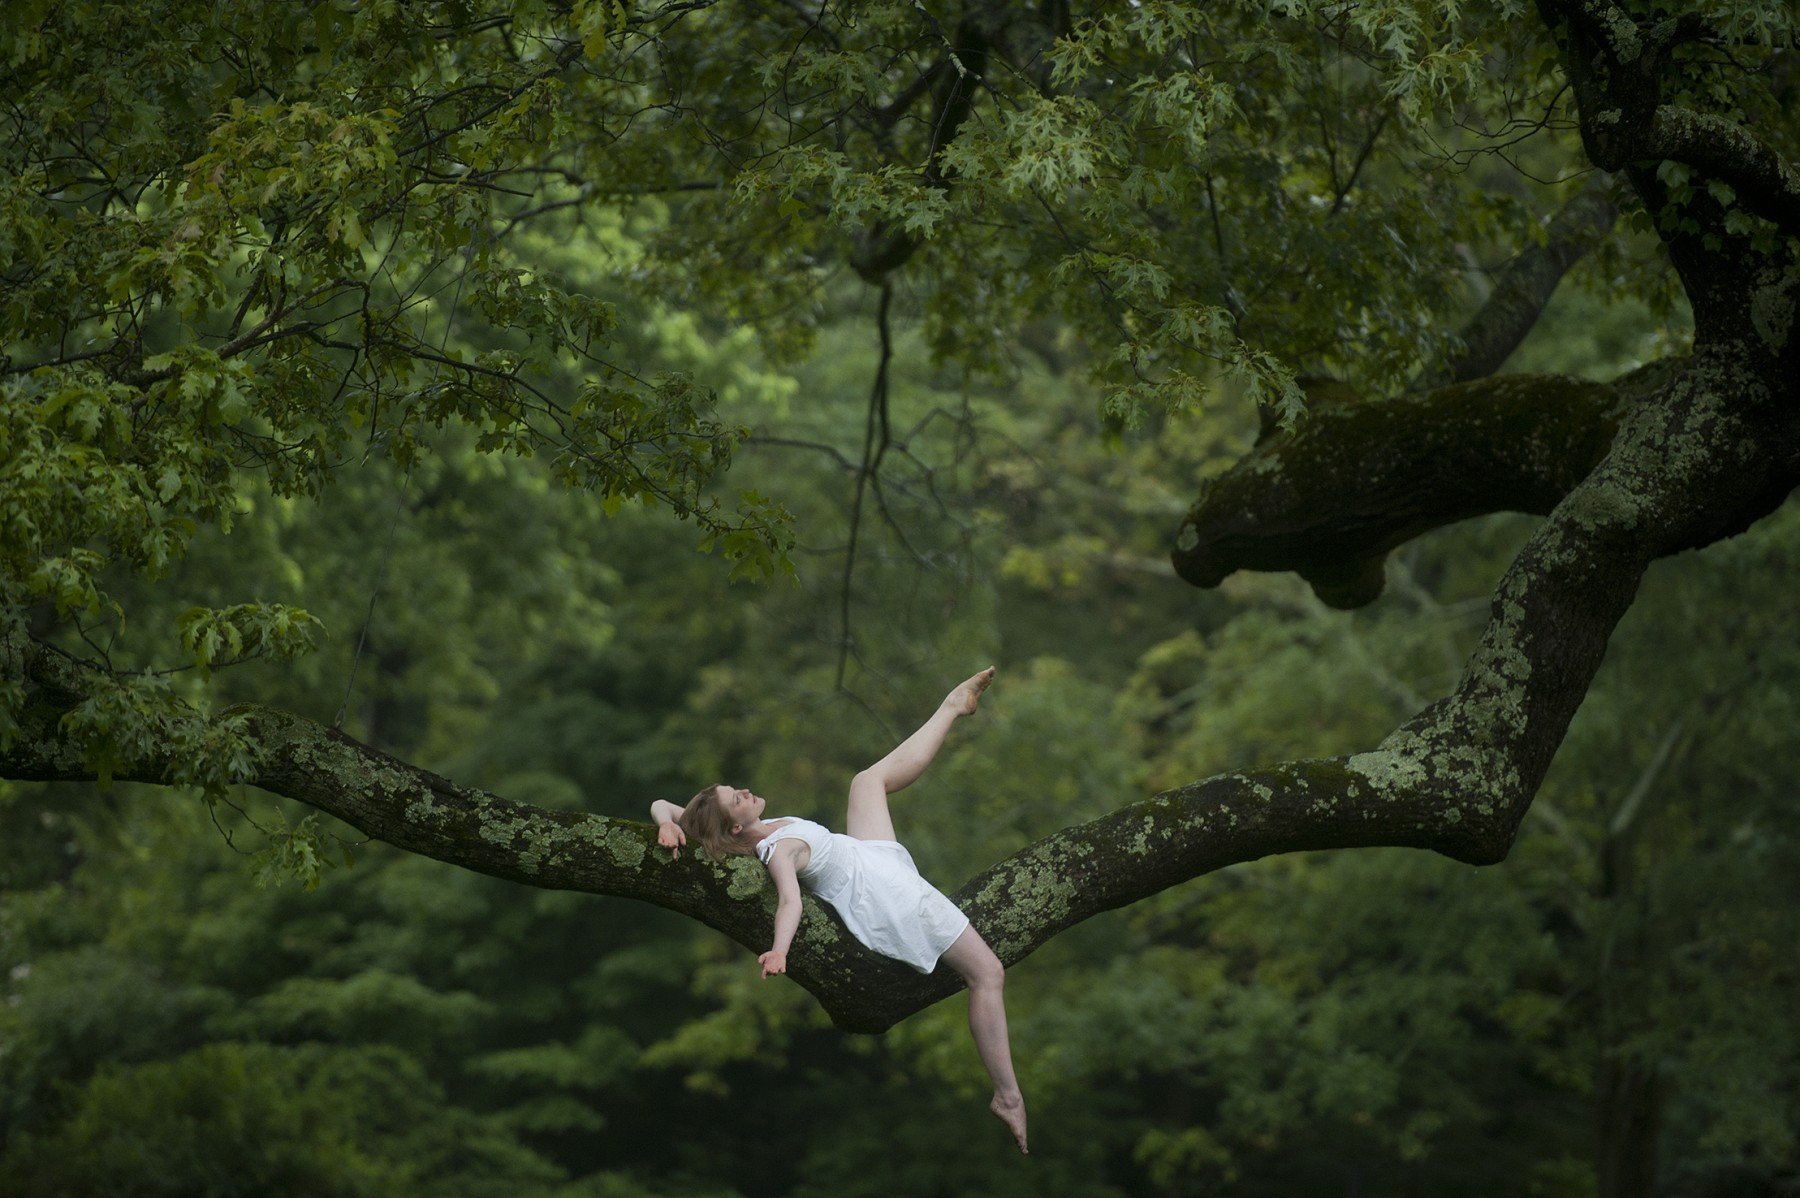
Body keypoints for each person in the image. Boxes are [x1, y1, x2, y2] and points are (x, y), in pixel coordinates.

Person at [648, 668, 1029, 1154]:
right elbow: (790, 900)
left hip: (866, 856)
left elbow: (663, 803)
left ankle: (953, 705)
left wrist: (667, 824)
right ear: (735, 828)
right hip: (883, 892)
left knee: (866, 781)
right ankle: (1008, 1094)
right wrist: (778, 951)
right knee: (987, 973)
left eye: (735, 789)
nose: (743, 792)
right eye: (735, 800)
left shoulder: (743, 829)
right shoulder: (776, 852)